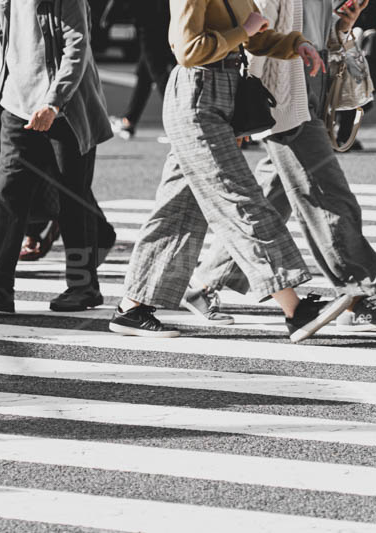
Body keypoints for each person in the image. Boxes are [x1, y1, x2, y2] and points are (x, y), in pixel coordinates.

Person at [109, 0, 351, 341]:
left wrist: (296, 44)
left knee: (179, 207)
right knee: (240, 198)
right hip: (196, 95)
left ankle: (132, 307)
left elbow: (254, 40)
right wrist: (245, 30)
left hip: (224, 94)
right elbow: (188, 49)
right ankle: (295, 309)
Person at [182, 0, 376, 330]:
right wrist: (240, 109)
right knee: (325, 191)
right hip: (281, 89)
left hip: (311, 79)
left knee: (276, 191)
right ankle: (356, 294)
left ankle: (204, 282)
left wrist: (344, 24)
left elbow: (320, 34)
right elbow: (256, 34)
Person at [0, 0, 113, 313]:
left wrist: (53, 103)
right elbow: (3, 37)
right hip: (16, 104)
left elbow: (77, 46)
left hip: (64, 110)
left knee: (72, 199)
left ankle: (83, 286)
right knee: (9, 193)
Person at [109, 0, 175, 140]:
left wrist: (111, 15)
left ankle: (178, 123)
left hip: (149, 19)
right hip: (164, 16)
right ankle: (130, 119)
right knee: (145, 73)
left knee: (158, 72)